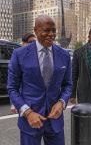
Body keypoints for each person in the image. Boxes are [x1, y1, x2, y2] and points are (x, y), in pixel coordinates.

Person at [7, 14, 72, 145]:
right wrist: (28, 112)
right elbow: (12, 88)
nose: (51, 34)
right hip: (30, 120)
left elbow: (68, 85)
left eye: (53, 30)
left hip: (55, 120)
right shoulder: (19, 54)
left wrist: (61, 102)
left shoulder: (64, 54)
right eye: (46, 30)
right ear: (35, 30)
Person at [10, 33, 36, 114]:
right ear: (23, 43)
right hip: (23, 99)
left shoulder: (38, 55)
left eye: (35, 42)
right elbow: (13, 85)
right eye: (31, 42)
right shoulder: (17, 56)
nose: (33, 44)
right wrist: (14, 103)